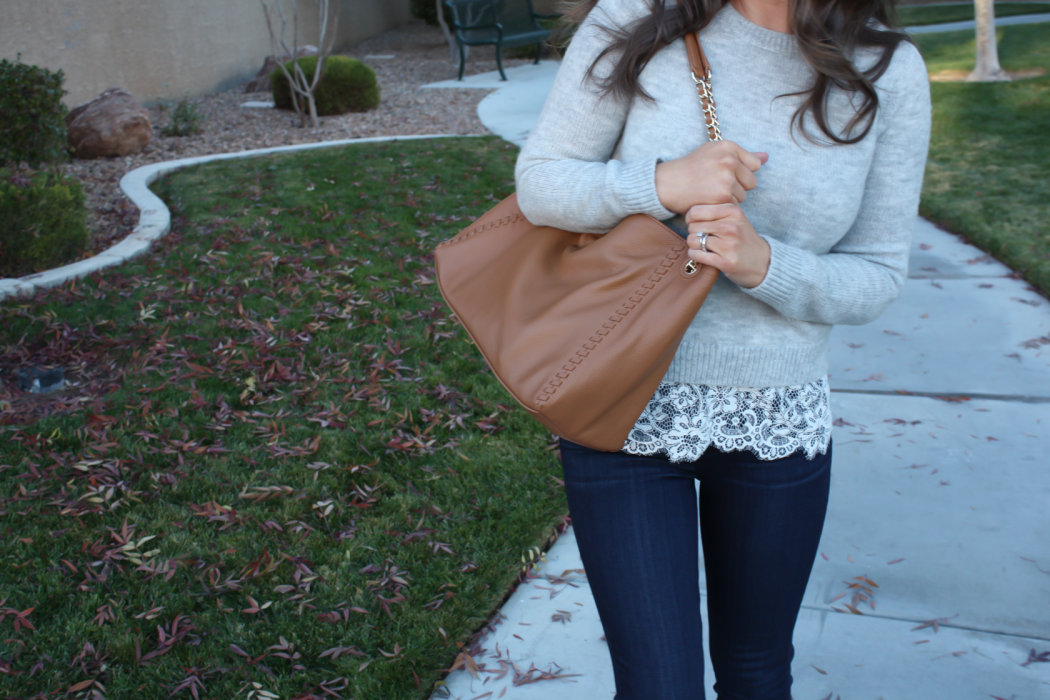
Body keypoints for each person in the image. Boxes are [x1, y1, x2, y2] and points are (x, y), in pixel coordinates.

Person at [513, 0, 931, 697]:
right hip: (626, 405)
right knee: (658, 688)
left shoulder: (884, 68)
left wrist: (766, 265)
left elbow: (878, 274)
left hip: (776, 421)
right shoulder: (637, 20)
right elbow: (542, 182)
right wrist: (659, 184)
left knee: (755, 673)